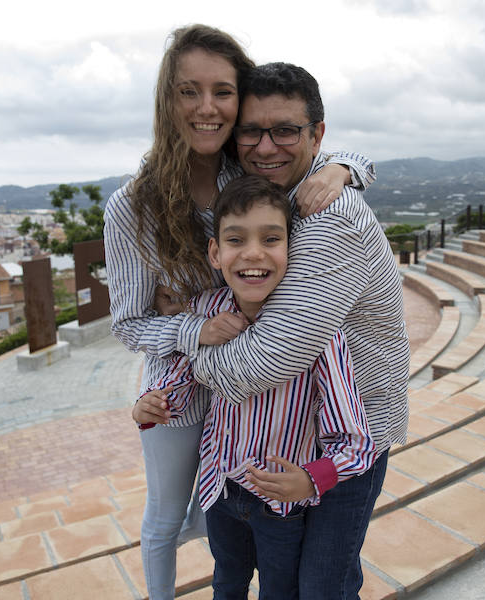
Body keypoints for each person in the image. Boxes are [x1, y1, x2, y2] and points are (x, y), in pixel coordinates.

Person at [104, 25, 376, 600]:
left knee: (237, 521)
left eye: (223, 91)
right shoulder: (132, 207)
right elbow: (128, 324)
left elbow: (304, 150)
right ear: (165, 99)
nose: (208, 108)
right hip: (184, 371)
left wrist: (344, 168)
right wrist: (194, 328)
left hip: (271, 375)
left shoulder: (246, 169)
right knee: (171, 513)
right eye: (188, 91)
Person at [182, 62, 410, 599]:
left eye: (285, 130)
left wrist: (194, 345)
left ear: (317, 135)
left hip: (347, 439)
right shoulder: (273, 193)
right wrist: (349, 164)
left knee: (320, 589)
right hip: (288, 435)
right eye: (251, 130)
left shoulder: (335, 220)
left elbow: (258, 368)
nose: (265, 147)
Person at [135, 174, 376, 599]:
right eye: (235, 240)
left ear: (290, 248)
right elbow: (182, 375)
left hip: (279, 508)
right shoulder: (205, 310)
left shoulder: (319, 331)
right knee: (226, 584)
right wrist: (153, 402)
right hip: (220, 488)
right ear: (215, 252)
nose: (253, 254)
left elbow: (357, 443)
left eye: (270, 239)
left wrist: (311, 479)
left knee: (278, 592)